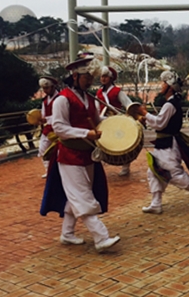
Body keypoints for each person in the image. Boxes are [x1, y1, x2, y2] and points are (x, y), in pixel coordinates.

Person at [40, 56, 120, 253]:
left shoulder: (88, 98)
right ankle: (101, 238)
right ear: (75, 76)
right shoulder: (62, 99)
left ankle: (67, 234)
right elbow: (59, 128)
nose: (90, 81)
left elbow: (94, 119)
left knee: (75, 196)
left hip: (87, 153)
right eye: (87, 77)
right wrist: (86, 133)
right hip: (69, 154)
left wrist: (111, 120)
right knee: (82, 196)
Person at [134, 71, 189, 214]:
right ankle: (156, 203)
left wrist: (145, 113)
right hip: (164, 142)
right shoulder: (171, 103)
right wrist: (147, 118)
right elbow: (160, 122)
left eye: (164, 83)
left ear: (169, 86)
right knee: (153, 171)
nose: (161, 85)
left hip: (169, 143)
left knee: (173, 173)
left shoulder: (170, 105)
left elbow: (160, 123)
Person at [96, 65, 134, 176]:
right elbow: (97, 108)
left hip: (117, 120)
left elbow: (128, 104)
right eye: (102, 76)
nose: (103, 79)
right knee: (102, 143)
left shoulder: (117, 91)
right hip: (104, 121)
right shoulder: (98, 93)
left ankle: (126, 166)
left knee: (122, 143)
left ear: (111, 78)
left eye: (106, 77)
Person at [37, 76, 59, 178]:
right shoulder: (45, 101)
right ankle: (48, 169)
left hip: (59, 127)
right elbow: (44, 115)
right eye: (44, 89)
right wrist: (41, 119)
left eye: (47, 88)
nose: (45, 91)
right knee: (42, 148)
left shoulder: (60, 98)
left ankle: (58, 169)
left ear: (53, 87)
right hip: (48, 128)